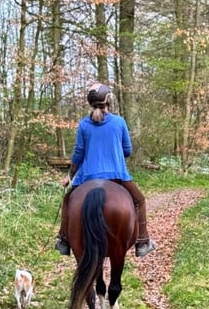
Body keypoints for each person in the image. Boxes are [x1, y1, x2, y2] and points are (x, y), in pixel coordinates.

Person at [55, 82, 156, 258]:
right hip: (117, 175)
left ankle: (64, 239)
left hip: (87, 176)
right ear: (108, 101)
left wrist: (69, 176)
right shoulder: (119, 122)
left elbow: (79, 153)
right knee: (139, 200)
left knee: (67, 200)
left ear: (90, 102)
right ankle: (142, 241)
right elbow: (127, 150)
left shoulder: (84, 125)